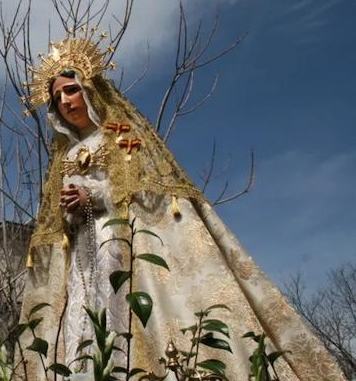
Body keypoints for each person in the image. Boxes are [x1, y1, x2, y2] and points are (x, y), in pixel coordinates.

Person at [17, 34, 345, 380]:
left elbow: (143, 181)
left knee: (129, 308)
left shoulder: (119, 131)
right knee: (81, 318)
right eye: (56, 98)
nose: (65, 102)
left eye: (71, 90)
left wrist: (94, 197)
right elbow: (55, 219)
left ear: (89, 86)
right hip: (83, 255)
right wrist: (68, 211)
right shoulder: (64, 156)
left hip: (124, 240)